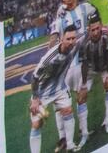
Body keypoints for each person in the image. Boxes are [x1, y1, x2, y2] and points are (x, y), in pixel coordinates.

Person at [29, 23, 81, 153]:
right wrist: (35, 98)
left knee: (68, 111)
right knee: (37, 124)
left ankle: (70, 144)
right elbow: (34, 77)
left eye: (73, 38)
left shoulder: (75, 46)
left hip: (60, 88)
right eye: (68, 39)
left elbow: (89, 33)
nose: (71, 42)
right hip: (42, 93)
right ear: (62, 39)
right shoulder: (48, 58)